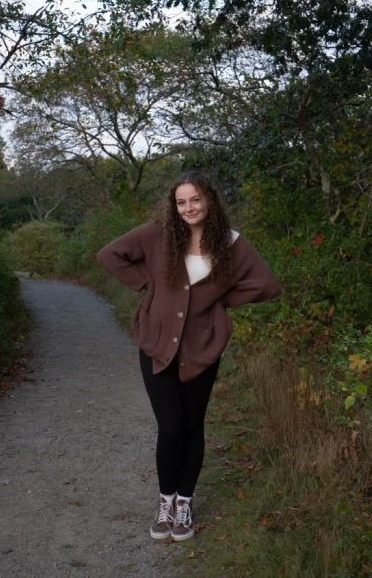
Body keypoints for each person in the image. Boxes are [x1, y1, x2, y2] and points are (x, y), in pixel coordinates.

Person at [97, 170, 281, 542]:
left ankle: (184, 502)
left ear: (208, 200)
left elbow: (267, 284)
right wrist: (147, 287)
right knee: (172, 426)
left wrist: (220, 300)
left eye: (194, 199)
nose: (188, 208)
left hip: (202, 345)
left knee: (193, 423)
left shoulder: (230, 244)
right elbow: (110, 255)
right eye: (181, 202)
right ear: (173, 205)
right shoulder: (157, 235)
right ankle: (164, 501)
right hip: (156, 342)